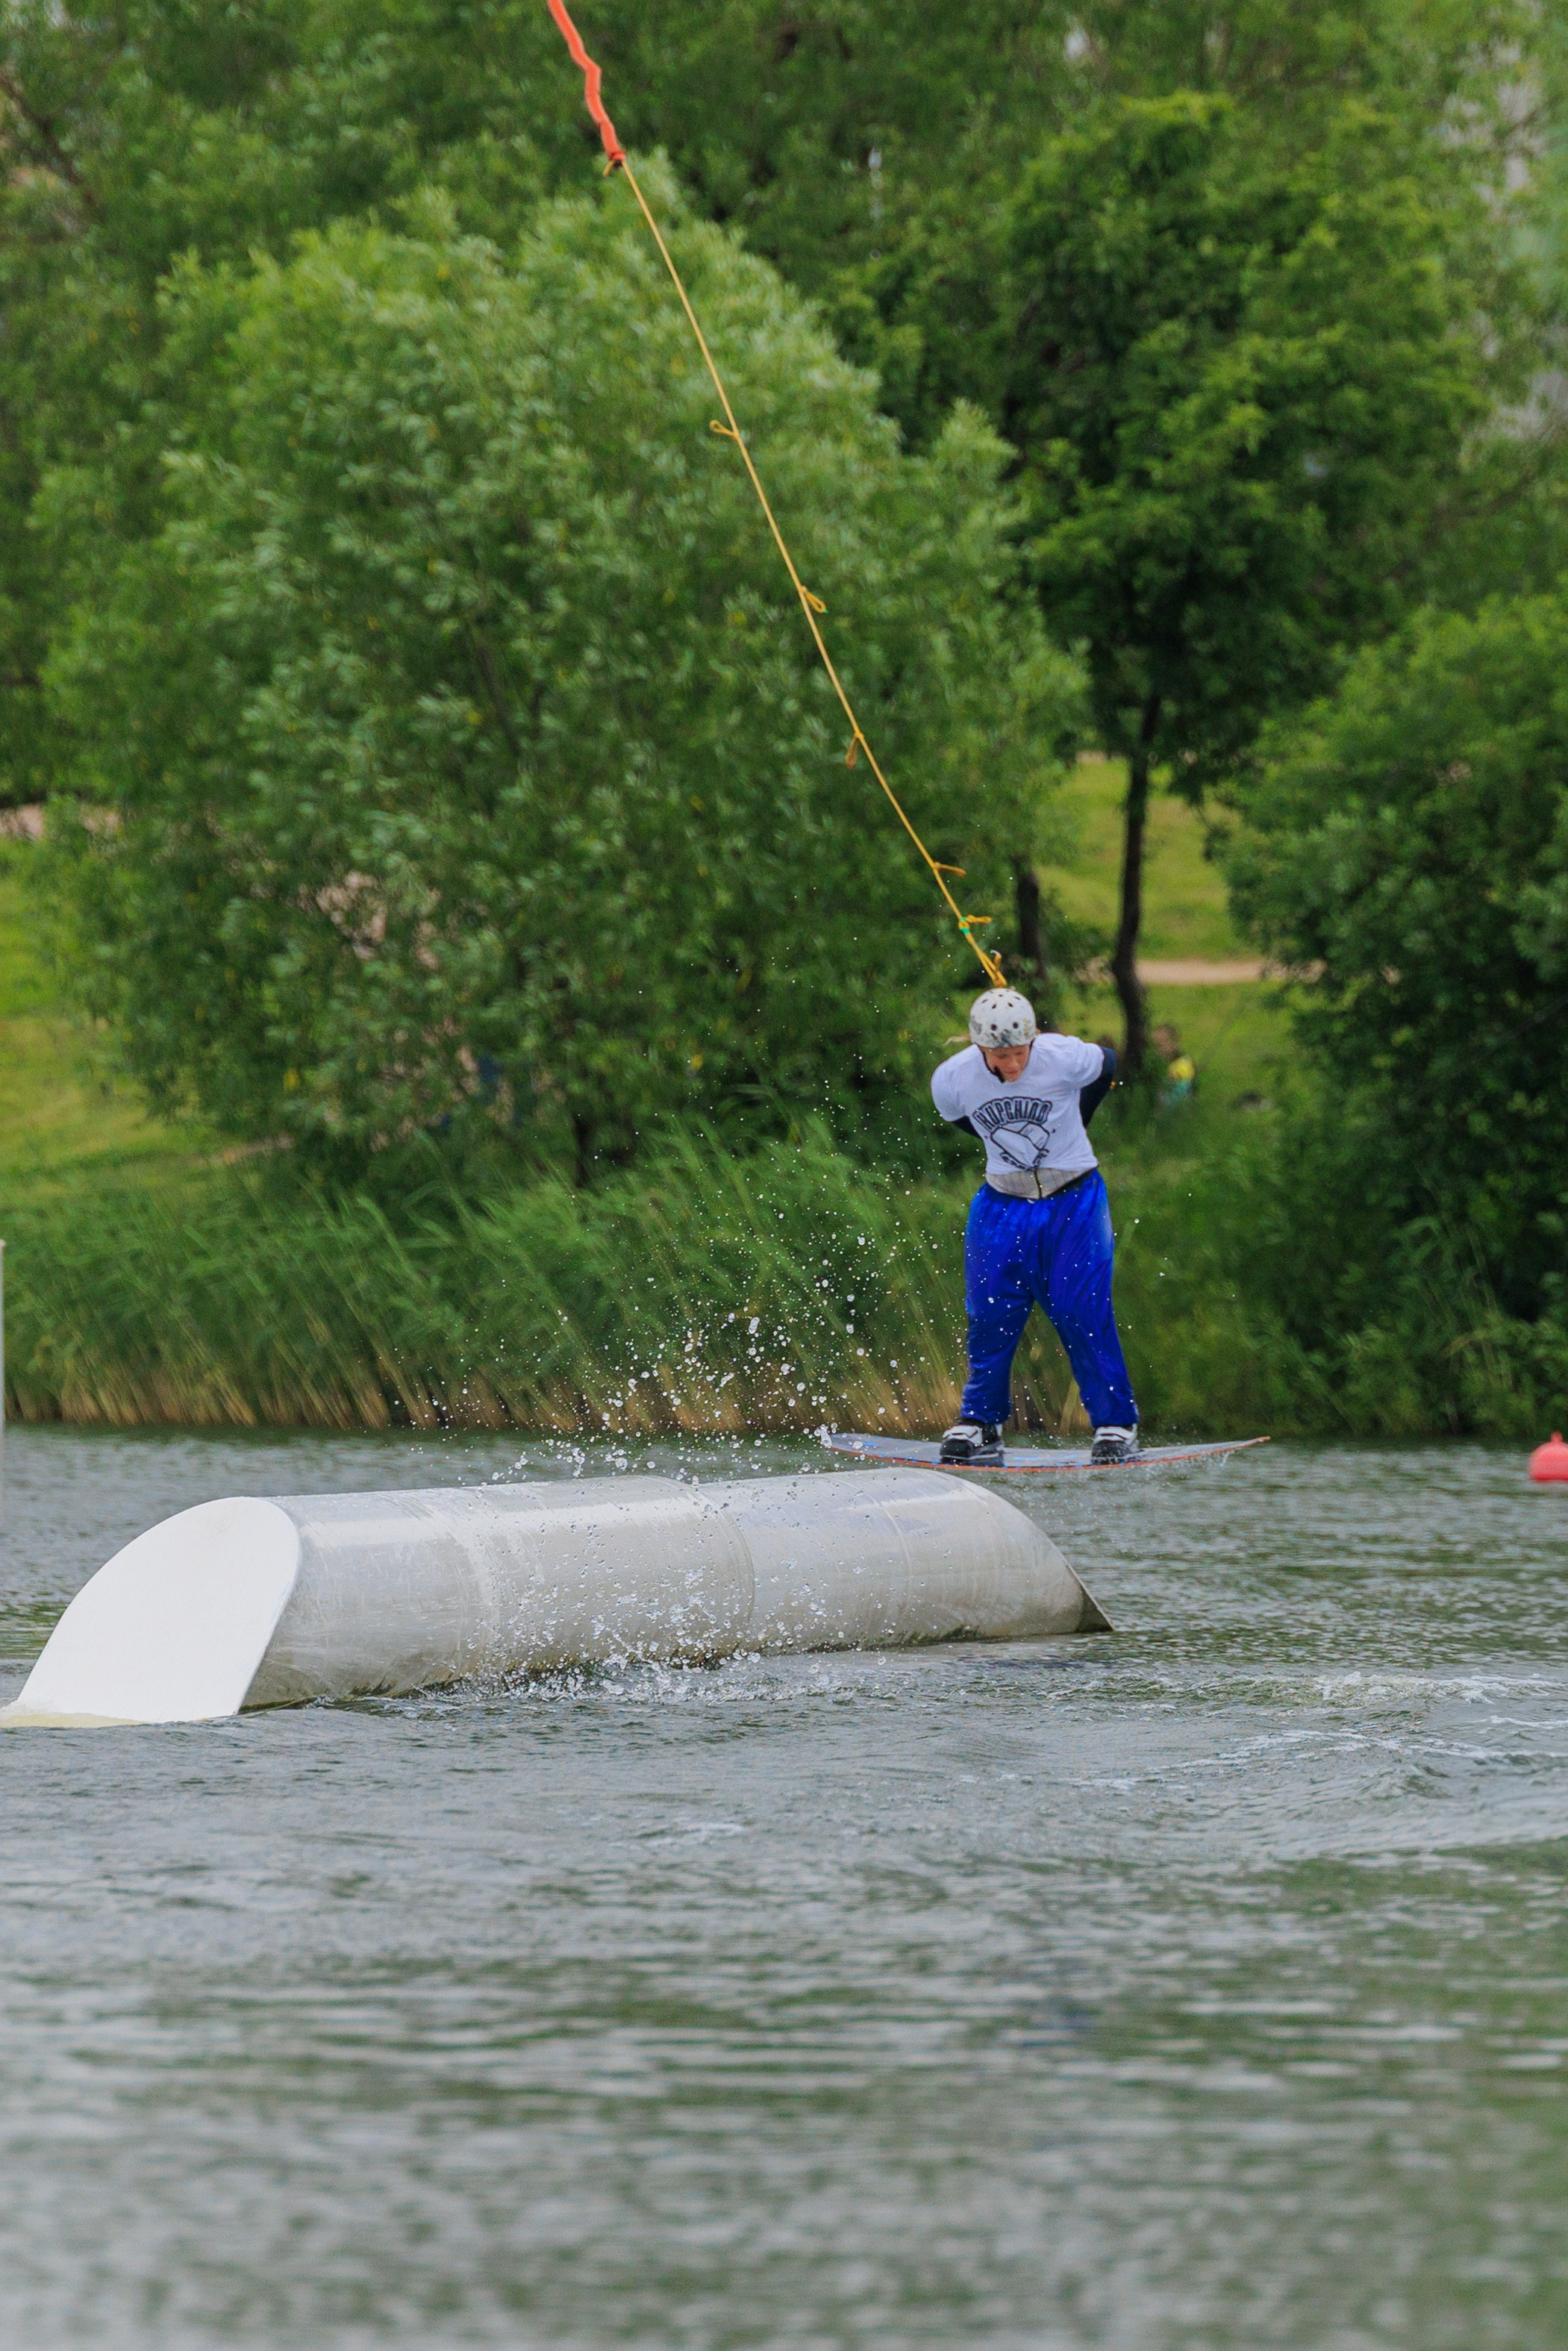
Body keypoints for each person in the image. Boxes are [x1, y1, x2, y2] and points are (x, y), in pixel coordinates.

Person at [931, 987, 1140, 1467]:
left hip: (1075, 1199)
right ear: (979, 1047)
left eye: (1020, 1053)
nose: (1012, 1065)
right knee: (988, 1312)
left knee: (1079, 1308)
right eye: (1001, 1056)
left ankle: (1116, 1424)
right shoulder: (952, 1079)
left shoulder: (1063, 1056)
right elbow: (962, 1121)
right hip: (1003, 1203)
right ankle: (982, 1423)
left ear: (1033, 1039)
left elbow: (1108, 1063)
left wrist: (1079, 1118)